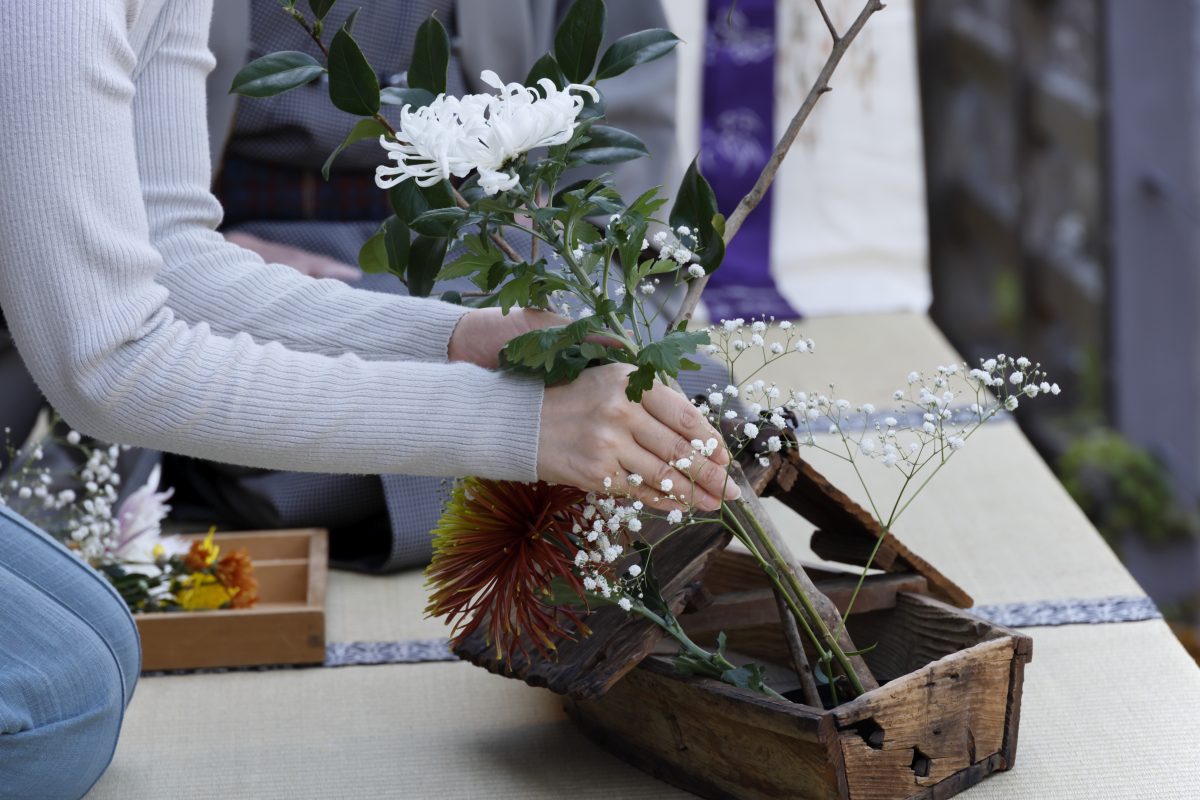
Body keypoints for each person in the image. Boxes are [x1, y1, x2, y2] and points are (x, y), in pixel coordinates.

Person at [0, 1, 736, 794]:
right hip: (172, 294)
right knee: (60, 702)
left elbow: (174, 258)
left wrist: (454, 339)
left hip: (434, 258)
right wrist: (516, 424)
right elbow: (107, 361)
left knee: (101, 644)